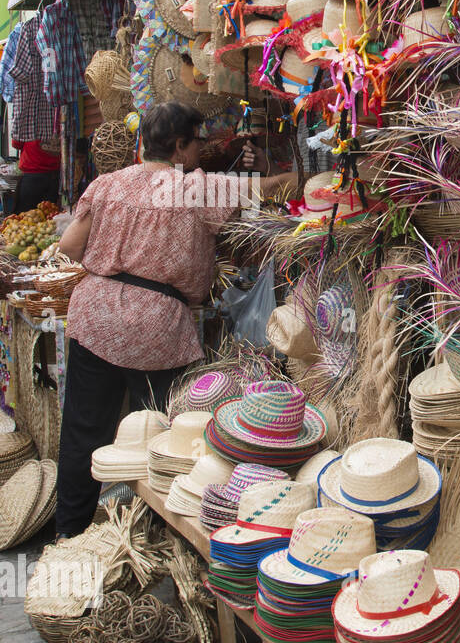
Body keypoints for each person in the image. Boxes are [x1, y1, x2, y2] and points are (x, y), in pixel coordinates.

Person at [54, 101, 300, 540]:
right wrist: (292, 172)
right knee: (167, 435)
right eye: (198, 143)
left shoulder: (107, 184)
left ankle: (68, 535)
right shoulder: (192, 188)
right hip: (156, 326)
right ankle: (161, 535)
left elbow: (71, 247)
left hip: (94, 315)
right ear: (181, 146)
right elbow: (273, 188)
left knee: (82, 433)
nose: (200, 152)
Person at [11, 137, 60, 216]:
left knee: (25, 217)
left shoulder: (27, 125)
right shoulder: (61, 125)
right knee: (49, 216)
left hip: (32, 176)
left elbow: (16, 144)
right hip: (54, 176)